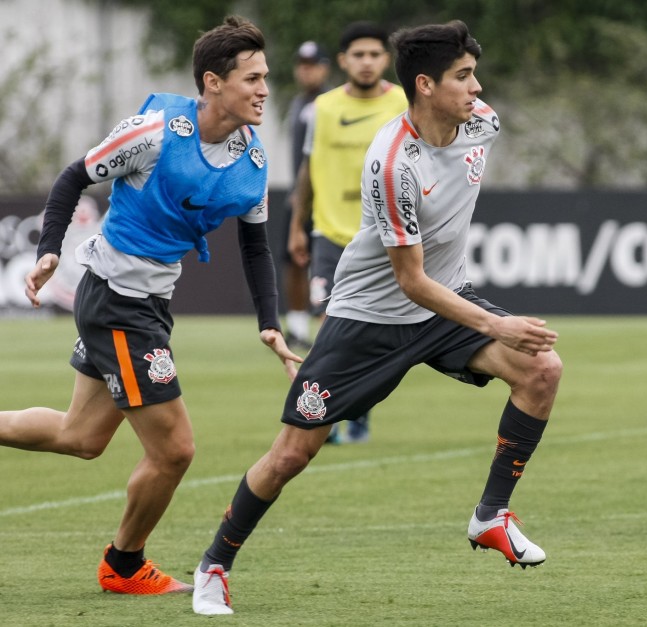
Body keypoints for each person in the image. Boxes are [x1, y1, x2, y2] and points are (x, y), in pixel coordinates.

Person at [192, 20, 562, 615]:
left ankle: (491, 516)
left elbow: (432, 283)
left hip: (443, 304)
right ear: (424, 85)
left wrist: (496, 328)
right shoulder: (392, 163)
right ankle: (215, 564)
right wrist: (497, 325)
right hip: (369, 316)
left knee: (542, 368)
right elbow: (408, 280)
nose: (477, 88)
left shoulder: (481, 122)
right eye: (463, 76)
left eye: (474, 74)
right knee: (292, 454)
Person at [0, 15, 301, 595]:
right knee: (175, 451)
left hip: (146, 303)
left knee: (80, 437)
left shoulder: (253, 160)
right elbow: (72, 179)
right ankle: (125, 564)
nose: (265, 89)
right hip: (117, 302)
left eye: (267, 77)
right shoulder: (155, 131)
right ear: (213, 82)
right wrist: (47, 252)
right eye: (253, 78)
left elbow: (255, 245)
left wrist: (270, 323)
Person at [289, 21, 408, 443]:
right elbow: (307, 168)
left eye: (375, 54)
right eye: (358, 55)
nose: (366, 62)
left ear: (386, 60)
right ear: (343, 61)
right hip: (330, 234)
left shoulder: (403, 103)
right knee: (329, 324)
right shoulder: (320, 108)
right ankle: (328, 413)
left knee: (375, 329)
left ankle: (359, 407)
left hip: (384, 237)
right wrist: (297, 226)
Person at [282, 40, 331, 351]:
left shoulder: (331, 103)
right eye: (302, 65)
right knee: (294, 261)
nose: (306, 71)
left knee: (329, 263)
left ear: (325, 68)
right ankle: (298, 326)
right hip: (298, 196)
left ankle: (330, 326)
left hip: (327, 197)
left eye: (312, 65)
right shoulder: (298, 103)